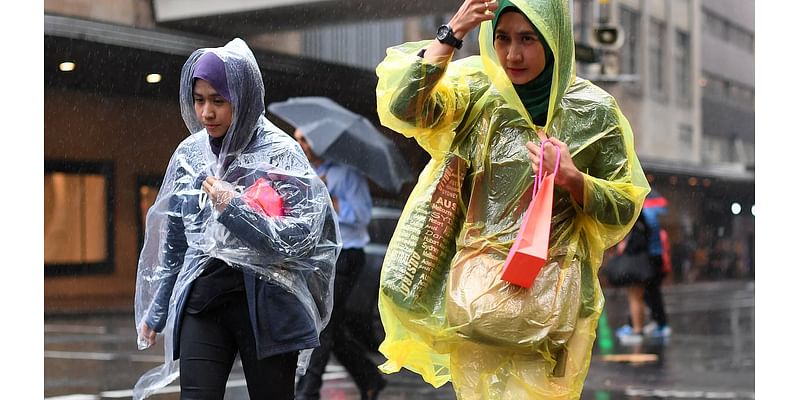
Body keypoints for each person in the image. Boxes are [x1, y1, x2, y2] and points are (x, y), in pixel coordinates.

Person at [374, 0, 649, 398]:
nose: (513, 54)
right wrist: (453, 32)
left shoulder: (594, 111)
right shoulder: (478, 92)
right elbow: (406, 108)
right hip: (478, 296)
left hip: (552, 303)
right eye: (502, 39)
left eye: (527, 39)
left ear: (553, 39)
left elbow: (624, 204)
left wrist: (573, 179)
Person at [132, 38, 341, 400]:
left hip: (269, 305)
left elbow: (300, 239)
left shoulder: (280, 154)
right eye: (199, 100)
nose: (206, 113)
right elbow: (177, 241)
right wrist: (158, 309)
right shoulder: (191, 155)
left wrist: (233, 208)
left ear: (242, 97)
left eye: (218, 101)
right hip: (205, 302)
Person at [293, 128, 388, 400]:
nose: (302, 145)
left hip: (347, 254)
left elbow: (362, 214)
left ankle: (307, 392)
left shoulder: (346, 174)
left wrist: (331, 199)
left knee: (323, 324)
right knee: (332, 326)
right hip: (319, 254)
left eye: (306, 139)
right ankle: (369, 377)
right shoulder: (305, 171)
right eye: (297, 139)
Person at [616, 206, 673, 341]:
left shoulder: (640, 223)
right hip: (653, 260)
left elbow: (637, 245)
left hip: (646, 262)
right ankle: (651, 324)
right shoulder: (649, 219)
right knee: (647, 295)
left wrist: (625, 246)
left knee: (640, 296)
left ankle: (639, 327)